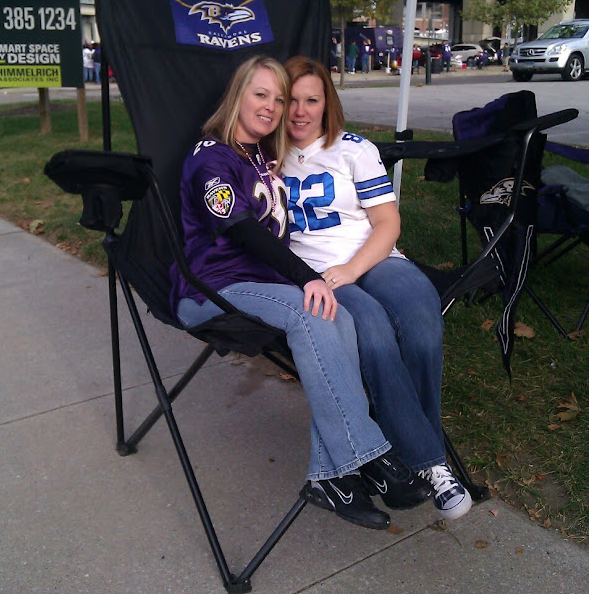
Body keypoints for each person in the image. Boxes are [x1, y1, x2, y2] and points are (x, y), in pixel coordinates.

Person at [170, 55, 430, 531]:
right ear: (238, 96)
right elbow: (243, 229)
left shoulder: (260, 156)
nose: (272, 107)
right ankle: (370, 456)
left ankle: (330, 477)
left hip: (263, 283)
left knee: (336, 315)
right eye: (261, 95)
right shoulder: (212, 157)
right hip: (212, 286)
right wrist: (305, 275)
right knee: (314, 311)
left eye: (278, 98)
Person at [281, 55, 473, 521]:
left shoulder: (354, 149)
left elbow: (388, 223)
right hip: (317, 274)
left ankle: (414, 451)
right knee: (372, 330)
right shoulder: (267, 155)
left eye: (312, 100)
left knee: (421, 316)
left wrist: (353, 268)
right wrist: (336, 275)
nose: (301, 112)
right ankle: (432, 463)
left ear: (327, 103)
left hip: (375, 256)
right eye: (291, 100)